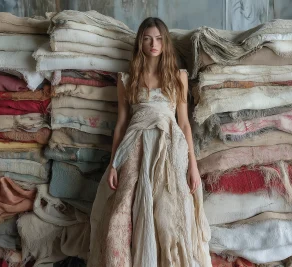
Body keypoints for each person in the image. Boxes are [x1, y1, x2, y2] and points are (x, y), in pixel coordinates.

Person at [88, 17, 212, 267]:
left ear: (165, 42)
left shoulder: (178, 77)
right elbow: (121, 124)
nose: (153, 44)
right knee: (122, 211)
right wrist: (113, 163)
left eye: (158, 39)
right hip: (134, 143)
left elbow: (185, 123)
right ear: (140, 43)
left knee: (169, 210)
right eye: (147, 38)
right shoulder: (127, 79)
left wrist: (193, 165)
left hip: (169, 144)